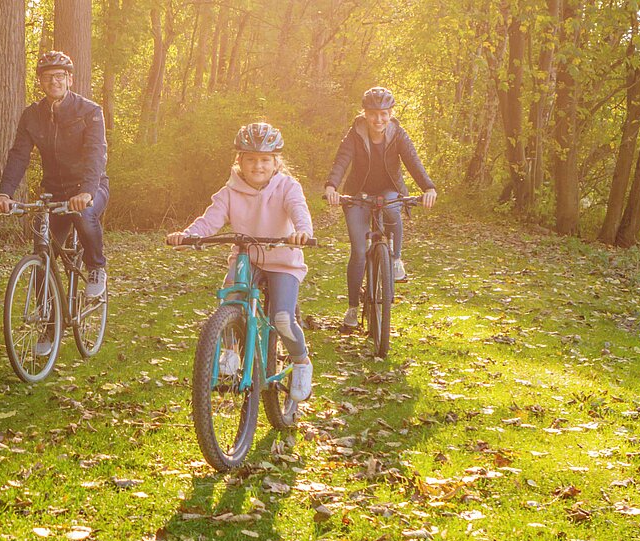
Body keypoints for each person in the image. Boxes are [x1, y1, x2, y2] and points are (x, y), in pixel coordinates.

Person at [166, 122, 315, 402]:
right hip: (247, 258)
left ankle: (302, 362)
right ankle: (231, 350)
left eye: (264, 160)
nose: (258, 166)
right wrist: (188, 236)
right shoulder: (230, 191)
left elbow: (299, 210)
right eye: (251, 160)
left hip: (283, 260)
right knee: (231, 301)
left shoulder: (287, 186)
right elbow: (210, 219)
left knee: (282, 319)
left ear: (275, 162)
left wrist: (302, 232)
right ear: (240, 161)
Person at [0, 51, 110, 308]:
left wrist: (87, 191)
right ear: (41, 82)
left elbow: (95, 154)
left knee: (84, 214)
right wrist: (5, 194)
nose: (54, 82)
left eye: (59, 76)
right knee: (42, 256)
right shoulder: (32, 115)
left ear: (70, 79)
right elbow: (19, 156)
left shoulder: (89, 111)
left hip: (90, 187)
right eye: (47, 77)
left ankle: (95, 267)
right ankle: (47, 323)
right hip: (54, 192)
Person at [323, 86, 437, 334]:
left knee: (392, 208)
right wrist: (332, 186)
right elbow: (342, 161)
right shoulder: (354, 134)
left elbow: (413, 162)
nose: (379, 119)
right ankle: (353, 308)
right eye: (373, 113)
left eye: (384, 113)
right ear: (364, 114)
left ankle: (395, 259)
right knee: (358, 252)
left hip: (389, 189)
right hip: (358, 193)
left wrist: (428, 187)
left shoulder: (398, 135)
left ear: (391, 113)